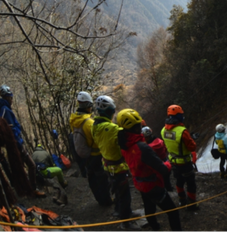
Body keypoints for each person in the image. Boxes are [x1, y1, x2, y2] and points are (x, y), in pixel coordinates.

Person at [117, 109, 182, 232]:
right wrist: (168, 163)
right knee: (173, 212)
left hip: (139, 183)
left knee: (149, 207)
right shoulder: (142, 148)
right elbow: (163, 169)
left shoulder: (124, 144)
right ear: (137, 128)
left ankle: (155, 228)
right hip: (153, 185)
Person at [92, 95, 140, 231]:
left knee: (118, 191)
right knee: (125, 194)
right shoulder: (113, 129)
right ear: (110, 112)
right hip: (118, 166)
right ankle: (125, 222)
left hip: (107, 164)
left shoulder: (94, 126)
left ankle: (121, 211)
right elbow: (126, 143)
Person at [0, 85, 40, 195]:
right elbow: (11, 129)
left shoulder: (3, 110)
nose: (12, 100)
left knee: (20, 167)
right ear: (7, 97)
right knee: (31, 165)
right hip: (16, 143)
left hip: (14, 143)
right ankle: (33, 189)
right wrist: (19, 143)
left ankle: (25, 188)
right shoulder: (5, 111)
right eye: (11, 98)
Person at [69, 91, 112, 206]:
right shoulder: (89, 123)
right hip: (95, 155)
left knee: (92, 177)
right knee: (102, 178)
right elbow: (98, 140)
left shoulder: (74, 120)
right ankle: (106, 201)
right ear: (88, 106)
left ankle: (99, 199)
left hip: (85, 155)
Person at [160, 105, 198, 210]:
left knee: (179, 181)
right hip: (185, 162)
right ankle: (192, 204)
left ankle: (182, 200)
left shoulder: (163, 130)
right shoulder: (182, 131)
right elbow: (192, 147)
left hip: (173, 161)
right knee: (190, 183)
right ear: (178, 116)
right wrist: (192, 139)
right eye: (181, 114)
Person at [142, 126, 172, 191]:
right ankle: (170, 190)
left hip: (159, 166)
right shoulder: (160, 141)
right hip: (166, 162)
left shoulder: (149, 147)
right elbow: (165, 149)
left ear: (146, 137)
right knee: (167, 181)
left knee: (161, 184)